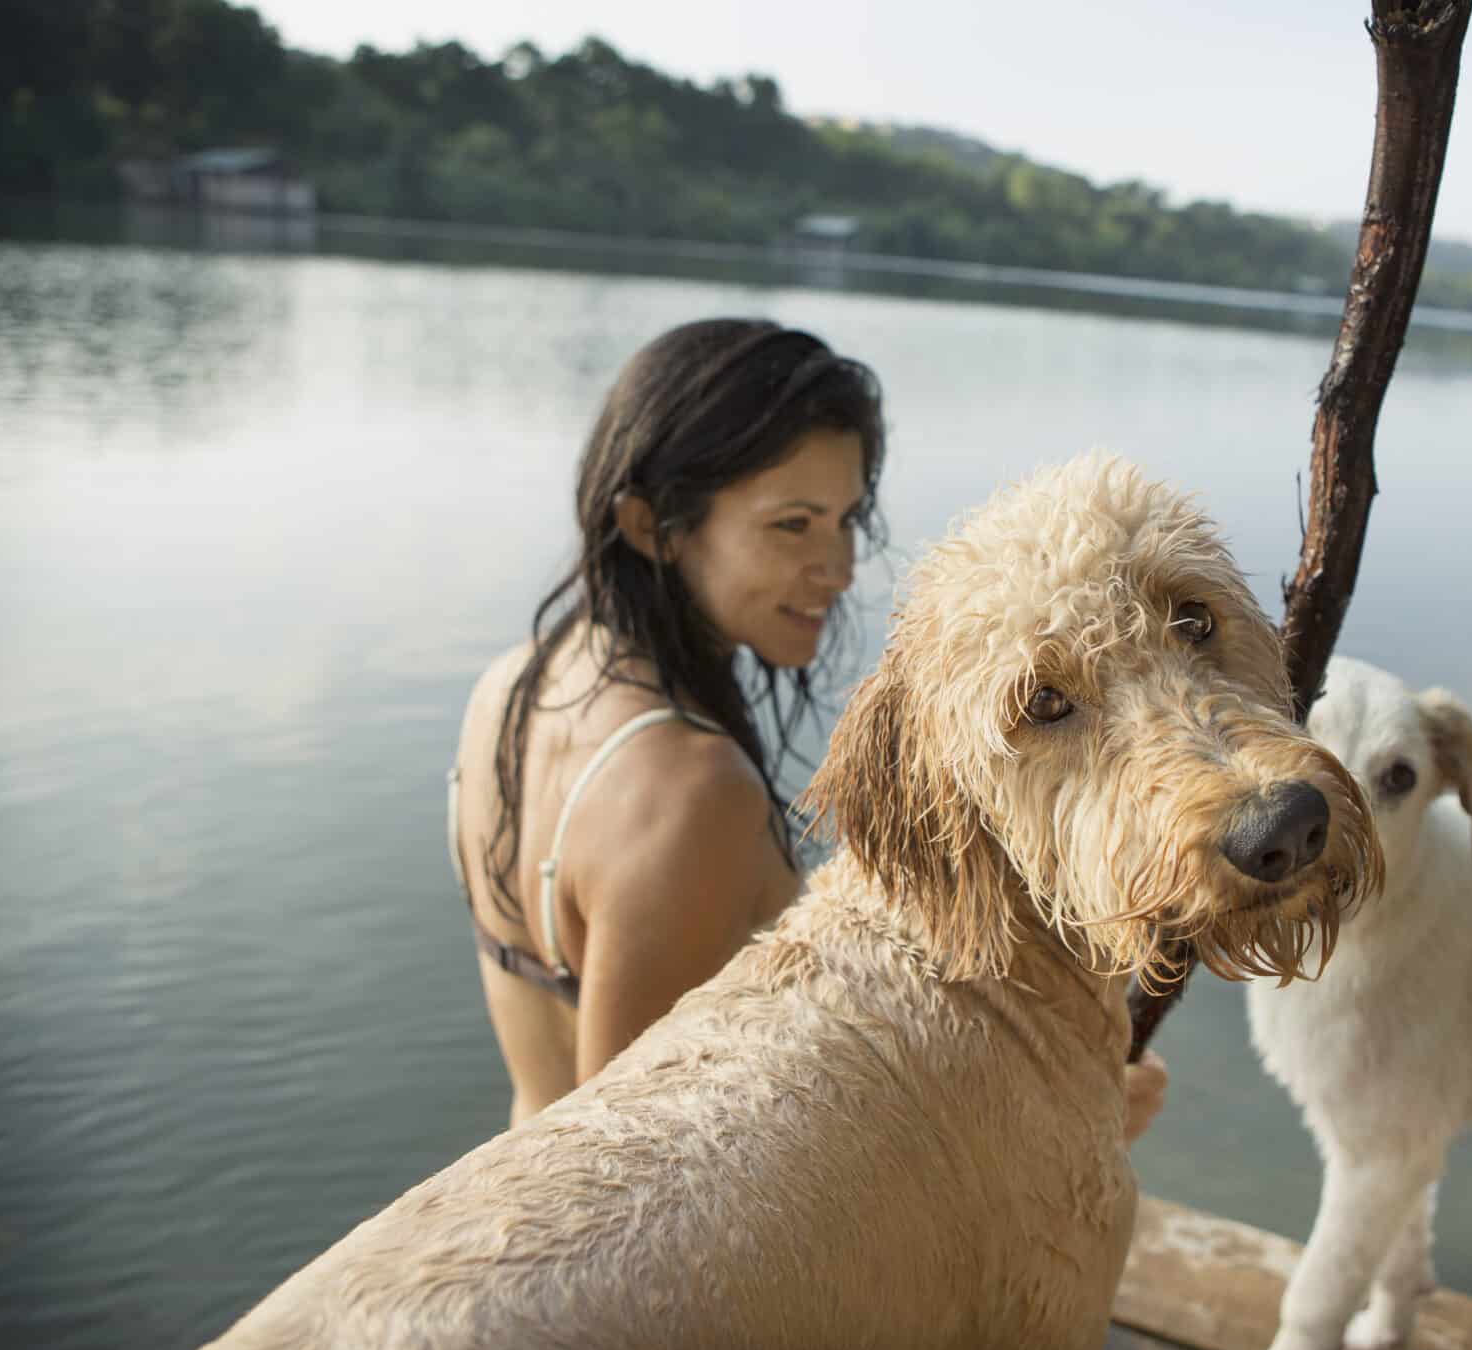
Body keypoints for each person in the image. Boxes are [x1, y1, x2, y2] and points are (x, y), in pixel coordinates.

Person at [447, 317, 1167, 1139]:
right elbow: (627, 1158)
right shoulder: (691, 790)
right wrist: (1064, 1118)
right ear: (655, 528)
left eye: (846, 519)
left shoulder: (513, 682)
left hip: (512, 1168)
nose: (839, 568)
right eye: (792, 524)